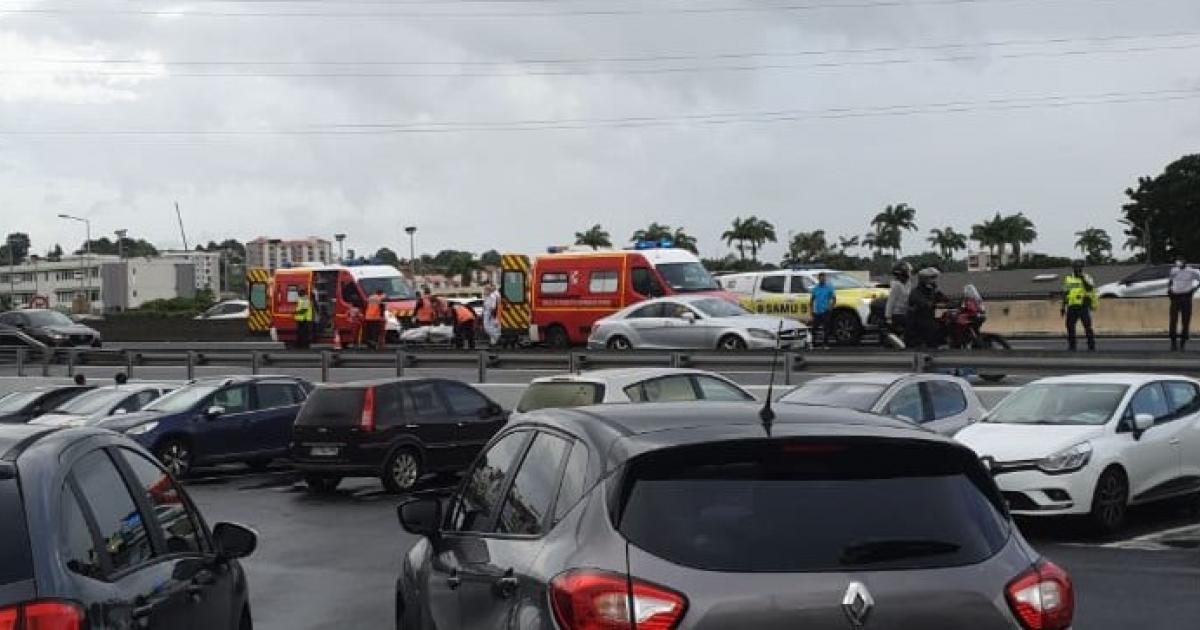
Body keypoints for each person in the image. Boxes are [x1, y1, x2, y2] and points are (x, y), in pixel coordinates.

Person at [1062, 260, 1097, 352]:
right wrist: (1063, 306)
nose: (1078, 269)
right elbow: (1066, 292)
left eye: (1079, 267)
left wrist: (1082, 279)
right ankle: (1072, 345)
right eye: (1076, 267)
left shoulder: (1087, 277)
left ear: (1082, 268)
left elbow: (1090, 288)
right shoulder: (1068, 278)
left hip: (1083, 305)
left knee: (1087, 326)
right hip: (1072, 305)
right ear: (1073, 268)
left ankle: (1091, 345)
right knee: (1069, 326)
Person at [906, 268, 943, 349]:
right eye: (932, 278)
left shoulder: (932, 291)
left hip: (929, 317)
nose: (934, 281)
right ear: (924, 279)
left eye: (935, 278)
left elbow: (944, 299)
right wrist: (933, 304)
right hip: (917, 322)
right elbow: (924, 304)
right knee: (932, 327)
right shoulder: (916, 292)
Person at [1168, 260, 1200, 351]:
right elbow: (1170, 280)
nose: (1178, 265)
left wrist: (1194, 289)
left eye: (1180, 263)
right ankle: (1173, 343)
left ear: (1185, 263)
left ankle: (1183, 342)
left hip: (1186, 297)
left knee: (1185, 320)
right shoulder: (1174, 270)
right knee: (1173, 320)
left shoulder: (1192, 271)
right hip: (1175, 297)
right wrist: (1169, 289)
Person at [885, 262, 913, 344]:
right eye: (908, 271)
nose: (909, 274)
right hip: (897, 313)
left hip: (905, 311)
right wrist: (888, 317)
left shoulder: (908, 284)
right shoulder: (896, 285)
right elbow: (891, 301)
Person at [810, 272, 837, 347]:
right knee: (814, 328)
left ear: (825, 279)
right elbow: (812, 299)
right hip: (817, 311)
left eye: (823, 278)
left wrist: (831, 307)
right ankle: (813, 343)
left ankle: (825, 343)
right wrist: (811, 310)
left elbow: (834, 299)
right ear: (818, 279)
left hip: (825, 311)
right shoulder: (815, 288)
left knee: (826, 329)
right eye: (821, 278)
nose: (822, 279)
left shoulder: (829, 288)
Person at [482, 283, 502, 347]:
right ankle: (493, 342)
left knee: (487, 327)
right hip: (488, 313)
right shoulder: (488, 296)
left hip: (489, 314)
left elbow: (493, 307)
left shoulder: (492, 296)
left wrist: (491, 315)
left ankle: (496, 336)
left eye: (485, 290)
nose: (484, 291)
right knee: (491, 327)